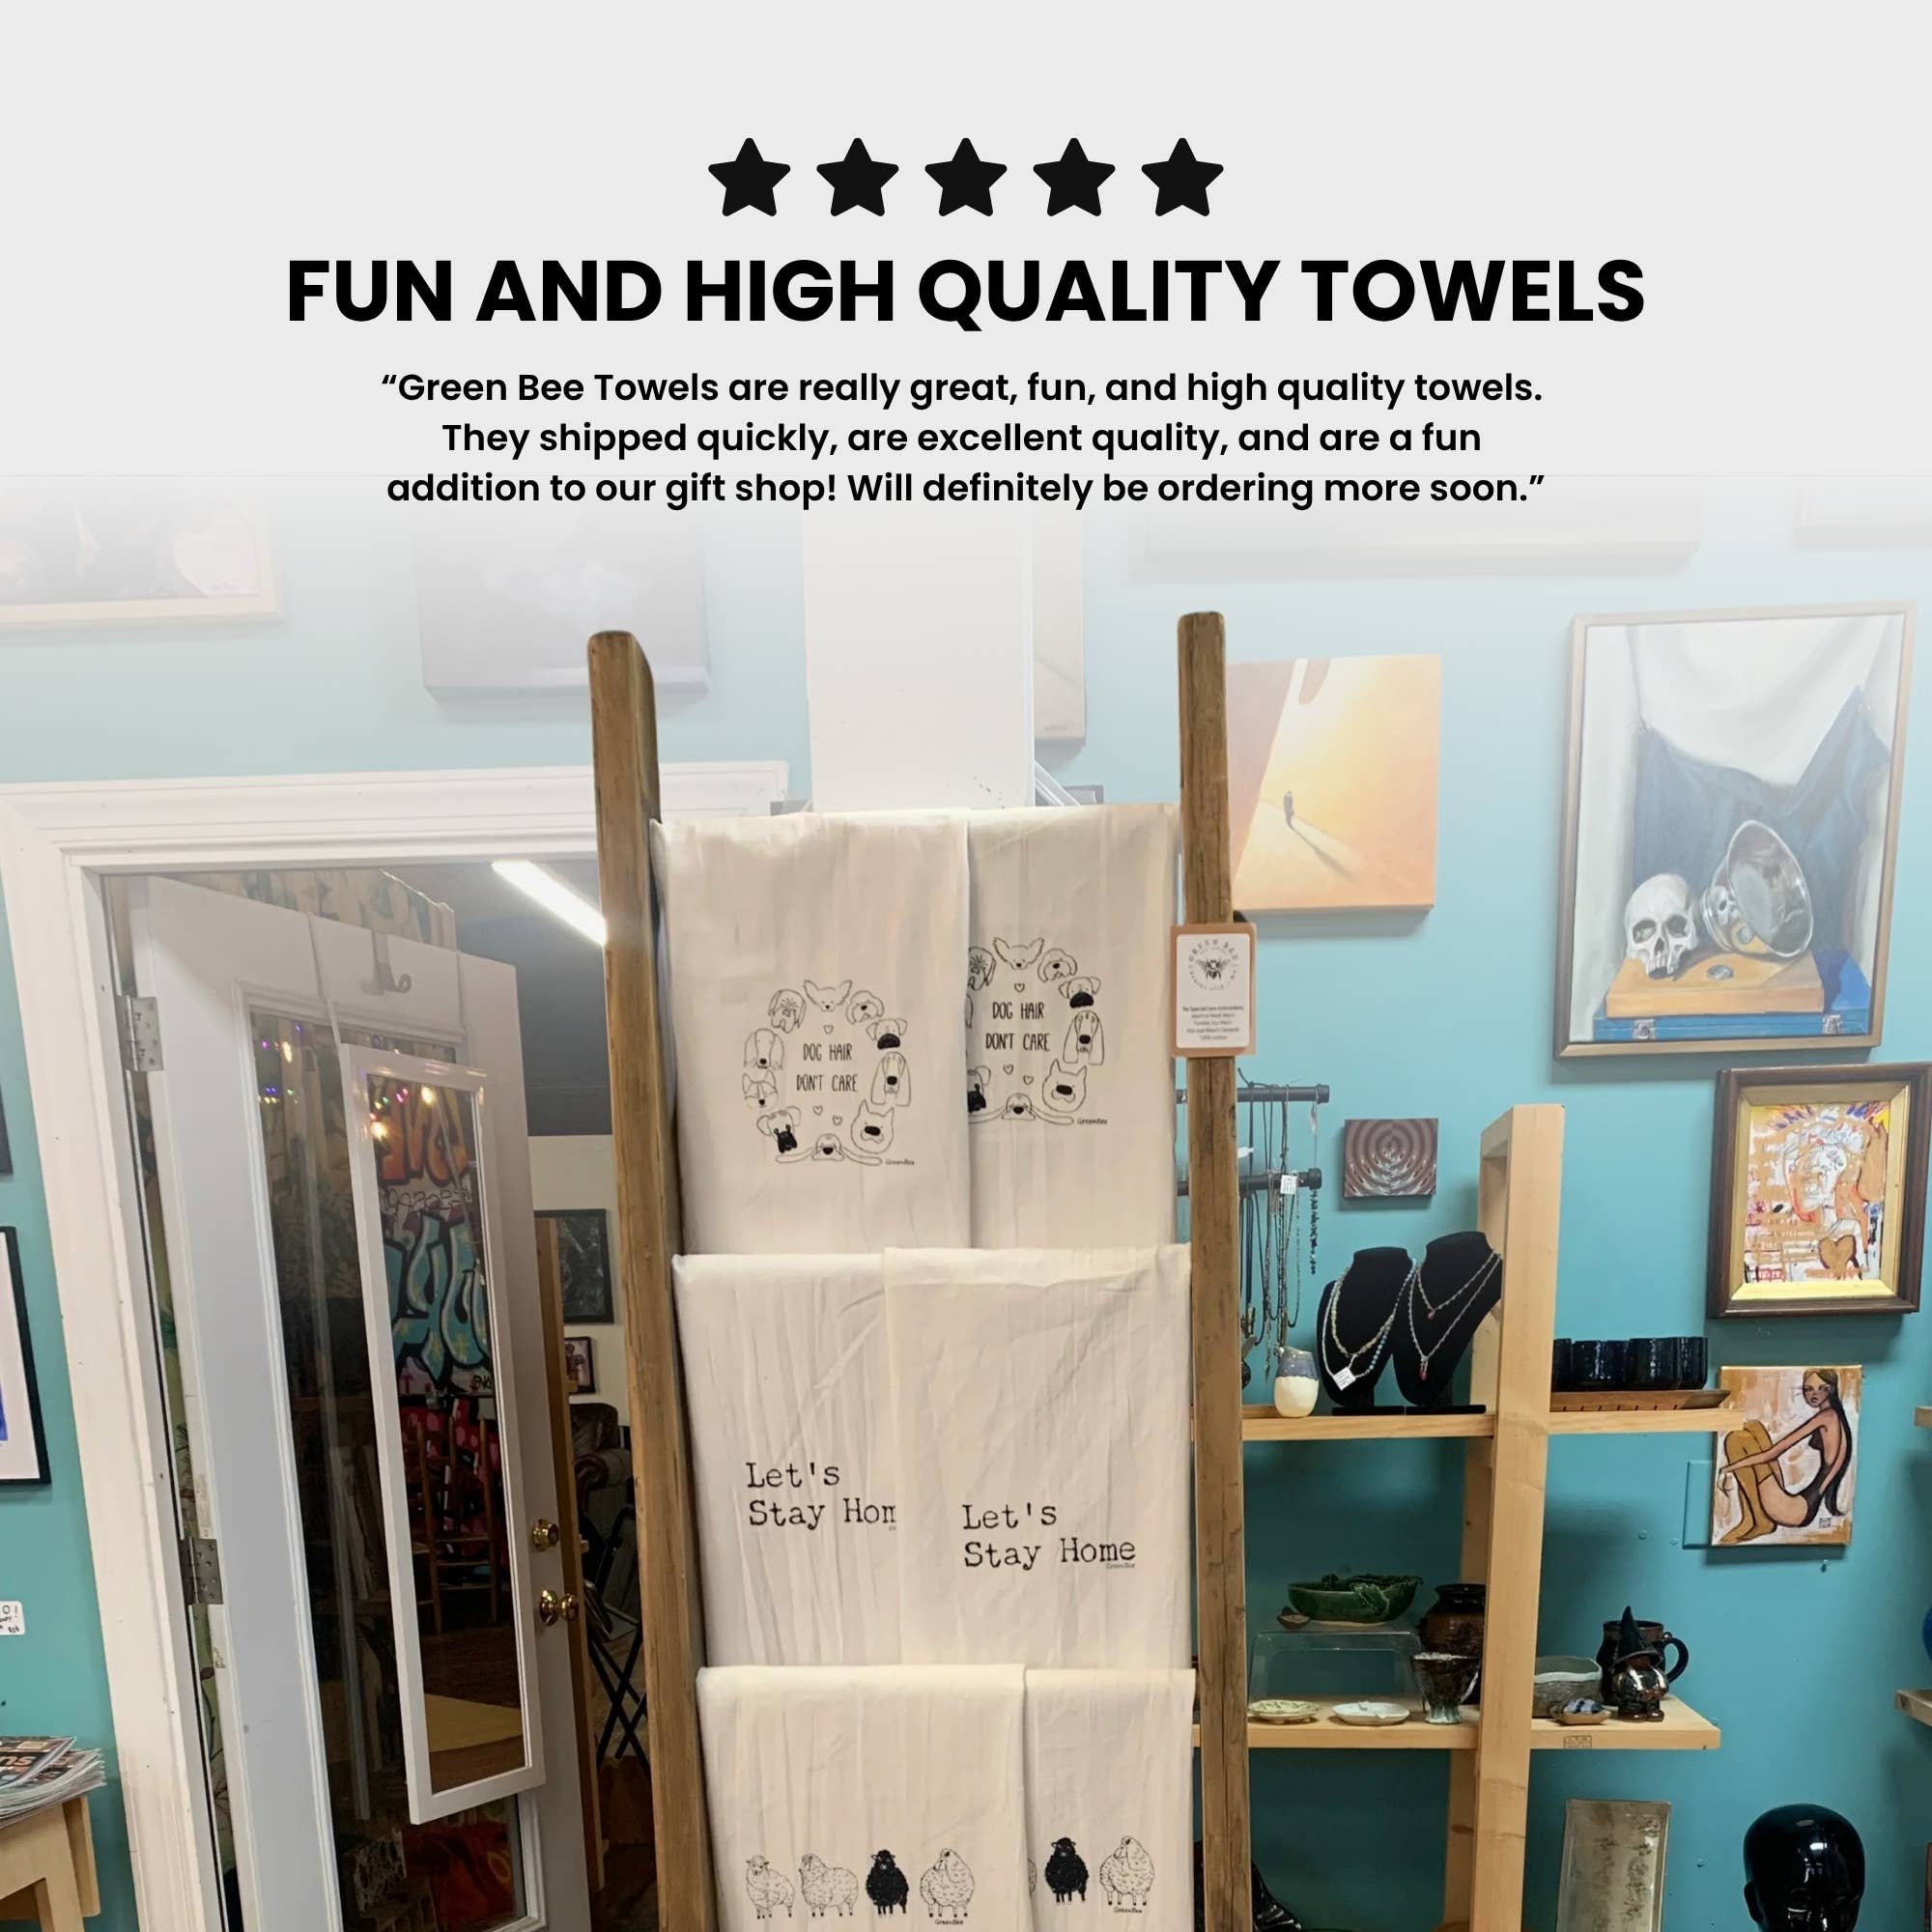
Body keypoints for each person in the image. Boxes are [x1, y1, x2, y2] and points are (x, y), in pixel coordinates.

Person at [1719, 1369, 1853, 1546]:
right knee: (1754, 1427)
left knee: (1735, 1440)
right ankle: (1755, 1518)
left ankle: (1757, 1520)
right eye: (1808, 1389)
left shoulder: (1826, 1417)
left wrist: (1728, 1468)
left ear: (1831, 1389)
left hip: (1793, 1511)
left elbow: (1771, 1454)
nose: (1813, 1394)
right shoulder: (1836, 1416)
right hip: (1802, 1506)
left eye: (1822, 1388)